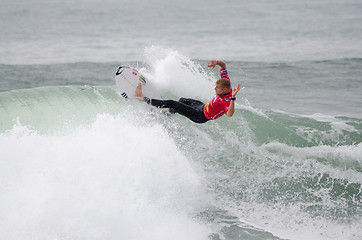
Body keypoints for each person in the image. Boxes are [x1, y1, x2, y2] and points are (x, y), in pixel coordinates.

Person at [135, 60, 241, 123]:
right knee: (182, 100)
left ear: (225, 90)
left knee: (172, 103)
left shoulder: (226, 101)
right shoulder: (226, 83)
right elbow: (223, 65)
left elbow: (230, 114)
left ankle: (143, 98)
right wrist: (216, 63)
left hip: (200, 116)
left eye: (217, 88)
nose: (215, 89)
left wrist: (233, 98)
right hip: (202, 107)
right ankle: (165, 115)